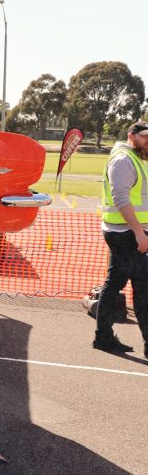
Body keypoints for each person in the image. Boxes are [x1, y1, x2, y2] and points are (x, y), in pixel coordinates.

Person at [96, 121, 148, 356]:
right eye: (144, 136)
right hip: (126, 233)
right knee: (141, 288)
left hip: (128, 232)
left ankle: (103, 338)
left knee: (118, 284)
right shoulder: (123, 160)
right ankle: (105, 338)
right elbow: (121, 198)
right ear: (131, 135)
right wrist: (138, 232)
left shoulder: (137, 159)